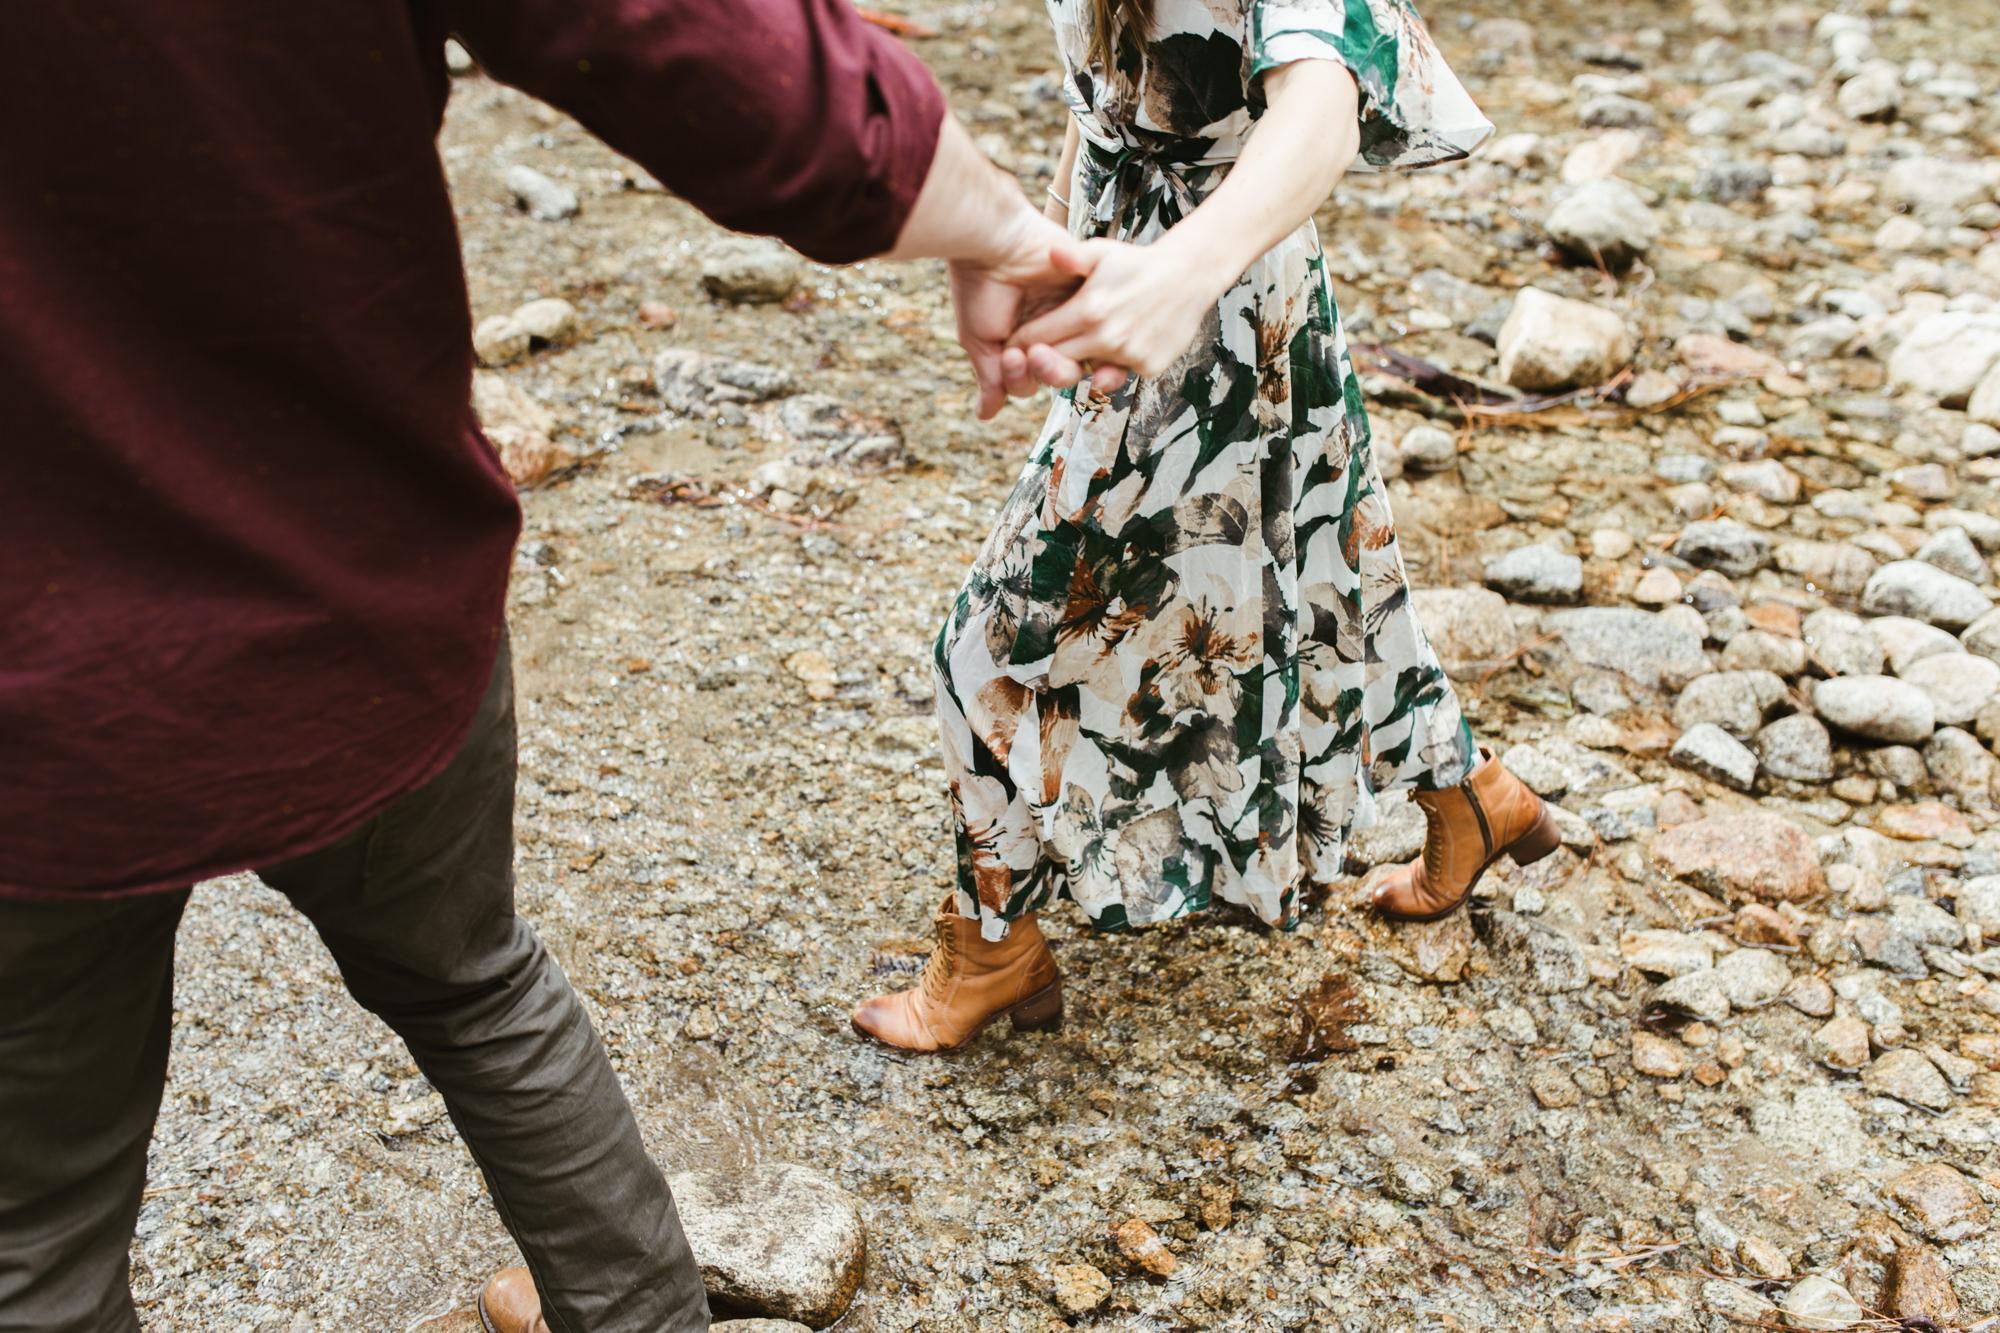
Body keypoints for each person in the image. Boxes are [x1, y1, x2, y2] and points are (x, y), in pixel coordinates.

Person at [0, 3, 1110, 1331]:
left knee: (37, 1236)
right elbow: (680, 37)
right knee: (479, 990)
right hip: (354, 589)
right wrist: (997, 226)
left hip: (40, 697)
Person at [852, 0, 1561, 1054]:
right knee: (1321, 574)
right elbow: (1099, 90)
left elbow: (1318, 103)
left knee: (993, 642)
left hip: (1208, 303)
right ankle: (1473, 796)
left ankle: (993, 945)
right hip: (1156, 278)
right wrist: (1041, 246)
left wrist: (1182, 274)